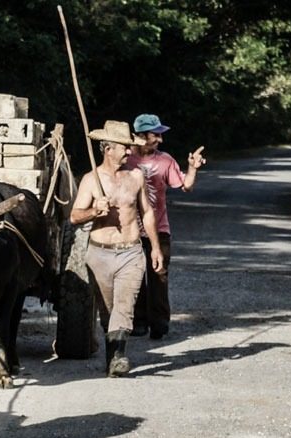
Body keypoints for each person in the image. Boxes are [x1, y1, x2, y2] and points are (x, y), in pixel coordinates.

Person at [70, 120, 164, 377]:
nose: (129, 151)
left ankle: (120, 355)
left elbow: (147, 214)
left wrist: (155, 247)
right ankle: (113, 356)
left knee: (125, 305)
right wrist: (94, 211)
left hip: (131, 252)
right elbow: (74, 216)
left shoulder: (136, 177)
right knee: (108, 311)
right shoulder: (91, 180)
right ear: (108, 149)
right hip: (99, 253)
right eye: (124, 147)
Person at [127, 114, 205, 340]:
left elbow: (186, 185)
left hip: (159, 228)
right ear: (140, 136)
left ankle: (159, 322)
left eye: (160, 135)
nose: (160, 139)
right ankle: (138, 321)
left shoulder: (166, 160)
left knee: (158, 274)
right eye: (155, 135)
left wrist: (193, 168)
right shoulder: (126, 159)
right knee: (135, 275)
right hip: (130, 228)